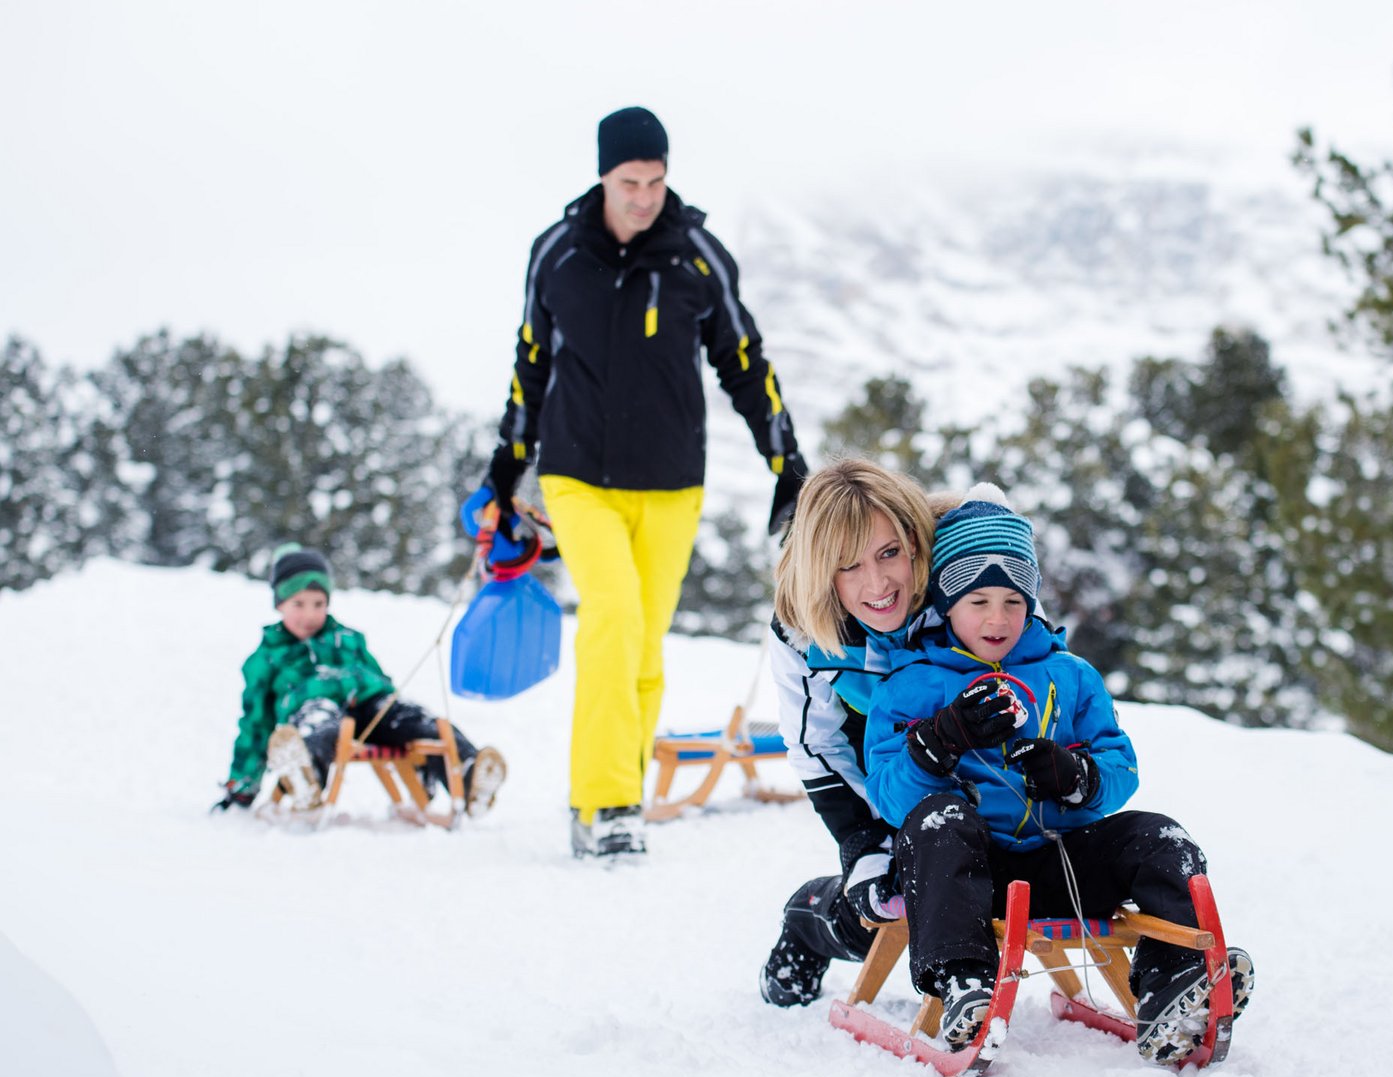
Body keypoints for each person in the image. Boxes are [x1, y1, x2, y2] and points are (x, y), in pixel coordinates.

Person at [479, 106, 808, 859]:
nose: (645, 196)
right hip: (576, 475)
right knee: (615, 617)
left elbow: (744, 360)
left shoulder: (696, 256)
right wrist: (507, 465)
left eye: (657, 181)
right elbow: (531, 357)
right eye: (631, 182)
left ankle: (616, 806)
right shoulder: (557, 253)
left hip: (670, 483)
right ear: (603, 176)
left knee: (644, 645)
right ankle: (603, 800)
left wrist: (785, 460)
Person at [863, 488, 1254, 1064]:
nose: (998, 618)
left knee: (1157, 836)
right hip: (968, 878)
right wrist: (937, 743)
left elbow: (1120, 765)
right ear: (946, 602)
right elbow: (889, 796)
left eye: (1013, 601)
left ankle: (1175, 982)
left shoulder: (1070, 677)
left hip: (1060, 863)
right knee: (938, 821)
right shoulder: (910, 685)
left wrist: (1079, 777)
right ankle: (963, 984)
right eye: (978, 600)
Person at [756, 460, 941, 1007]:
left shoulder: (974, 576)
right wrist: (867, 844)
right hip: (877, 763)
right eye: (848, 566)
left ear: (913, 539)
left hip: (973, 747)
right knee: (888, 907)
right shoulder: (802, 626)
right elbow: (818, 746)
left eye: (889, 553)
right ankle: (812, 920)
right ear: (821, 572)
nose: (878, 584)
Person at [213, 544, 508, 818]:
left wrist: (391, 704)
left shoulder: (348, 639)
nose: (310, 614)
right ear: (279, 604)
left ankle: (471, 775)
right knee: (317, 724)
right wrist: (242, 785)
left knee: (419, 720)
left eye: (318, 604)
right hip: (315, 709)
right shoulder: (267, 657)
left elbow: (380, 678)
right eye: (298, 604)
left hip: (370, 706)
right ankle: (305, 777)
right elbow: (255, 724)